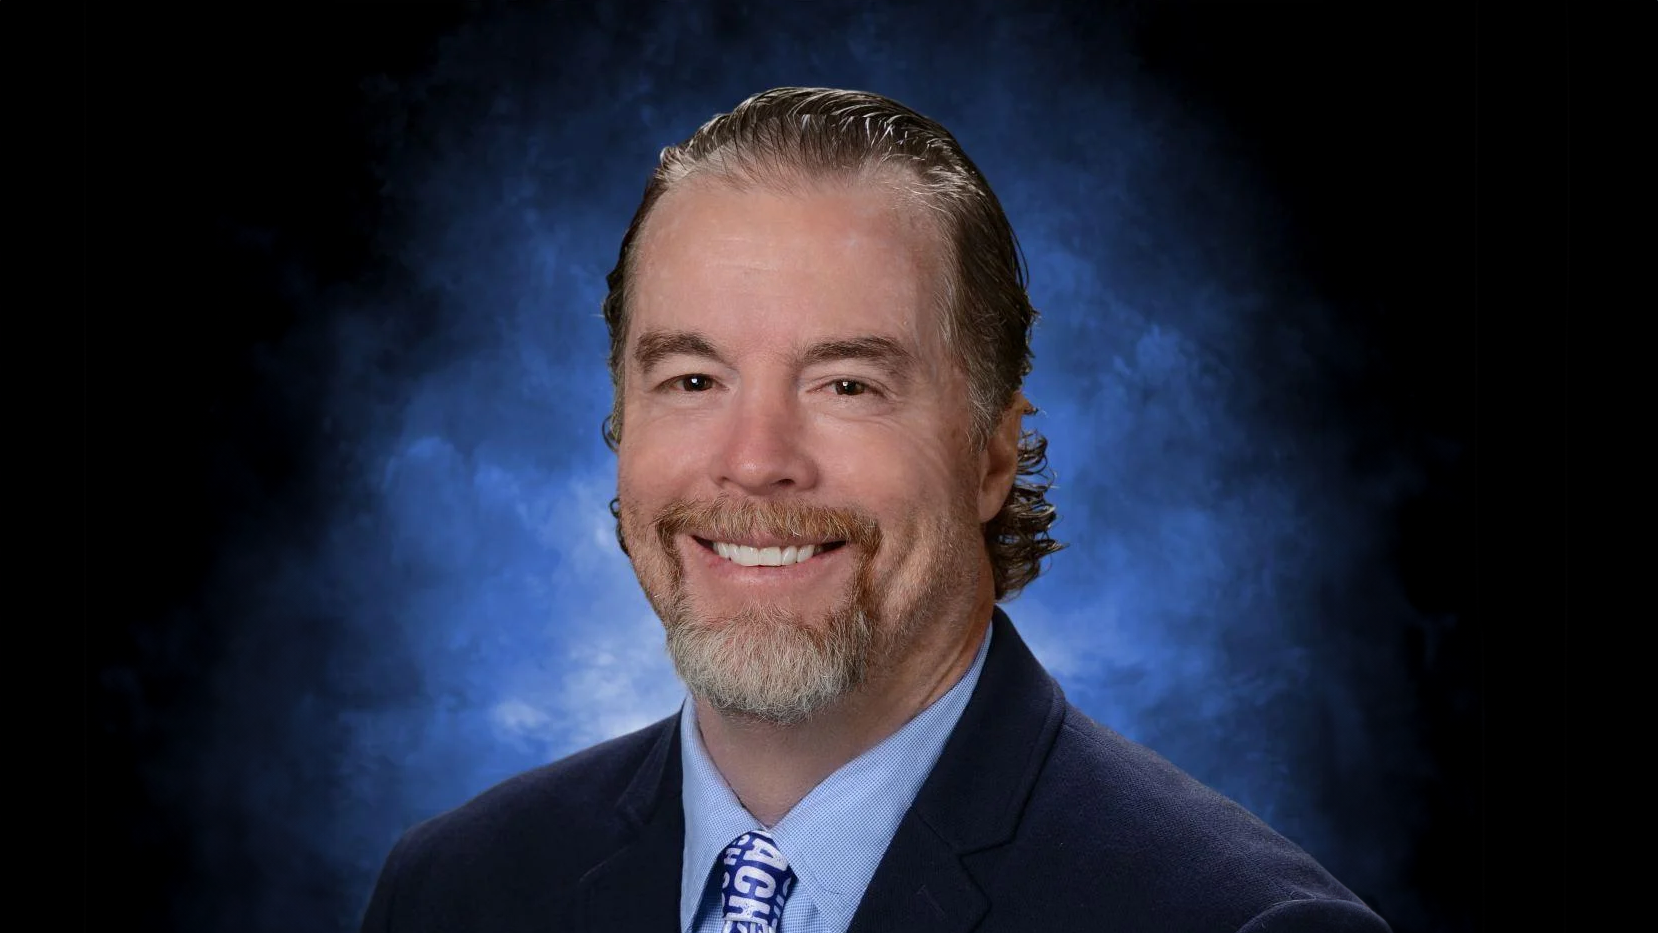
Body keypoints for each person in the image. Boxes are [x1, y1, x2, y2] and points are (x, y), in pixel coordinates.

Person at [359, 87, 1392, 933]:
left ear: (992, 451)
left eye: (847, 384)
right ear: (621, 422)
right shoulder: (454, 890)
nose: (755, 463)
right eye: (690, 380)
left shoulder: (1235, 924)